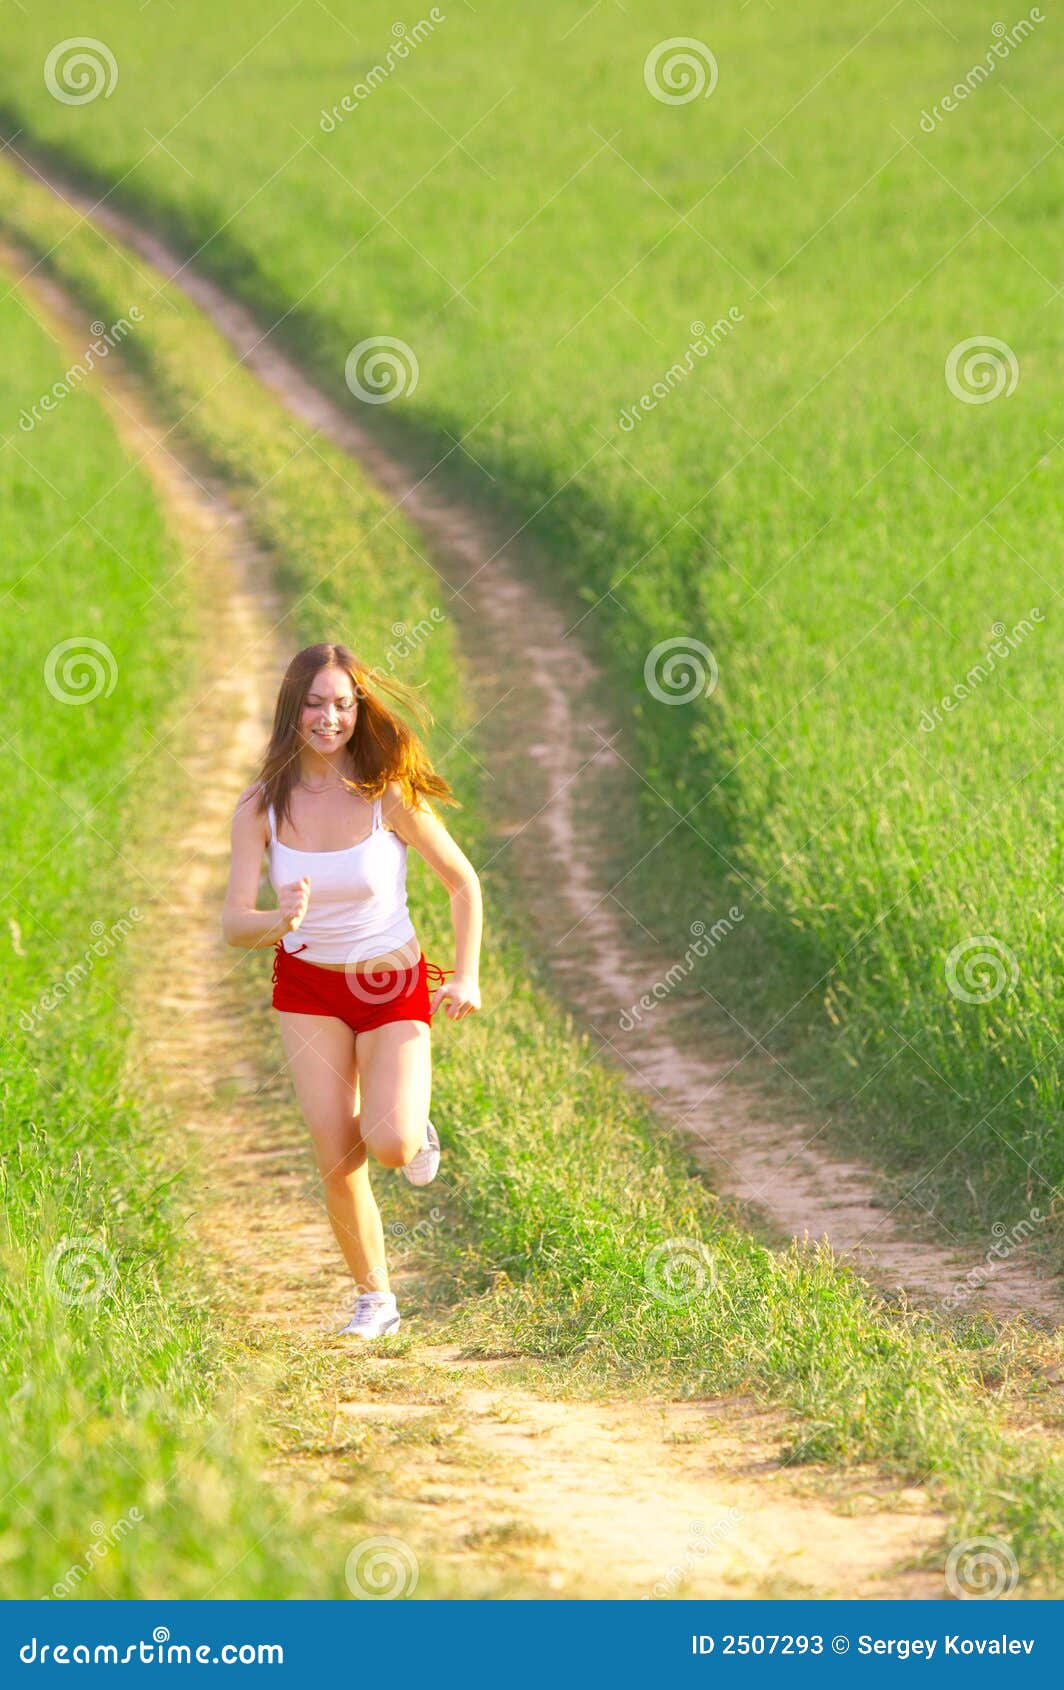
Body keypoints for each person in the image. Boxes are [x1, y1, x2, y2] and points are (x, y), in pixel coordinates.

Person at [222, 641, 482, 1339]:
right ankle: (375, 1300)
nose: (329, 718)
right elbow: (232, 923)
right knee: (336, 1149)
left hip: (390, 984)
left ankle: (409, 1123)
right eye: (314, 704)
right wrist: (275, 922)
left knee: (391, 1145)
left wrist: (466, 973)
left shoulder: (385, 792)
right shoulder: (261, 806)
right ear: (292, 709)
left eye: (342, 704)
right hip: (308, 989)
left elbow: (462, 882)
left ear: (358, 709)